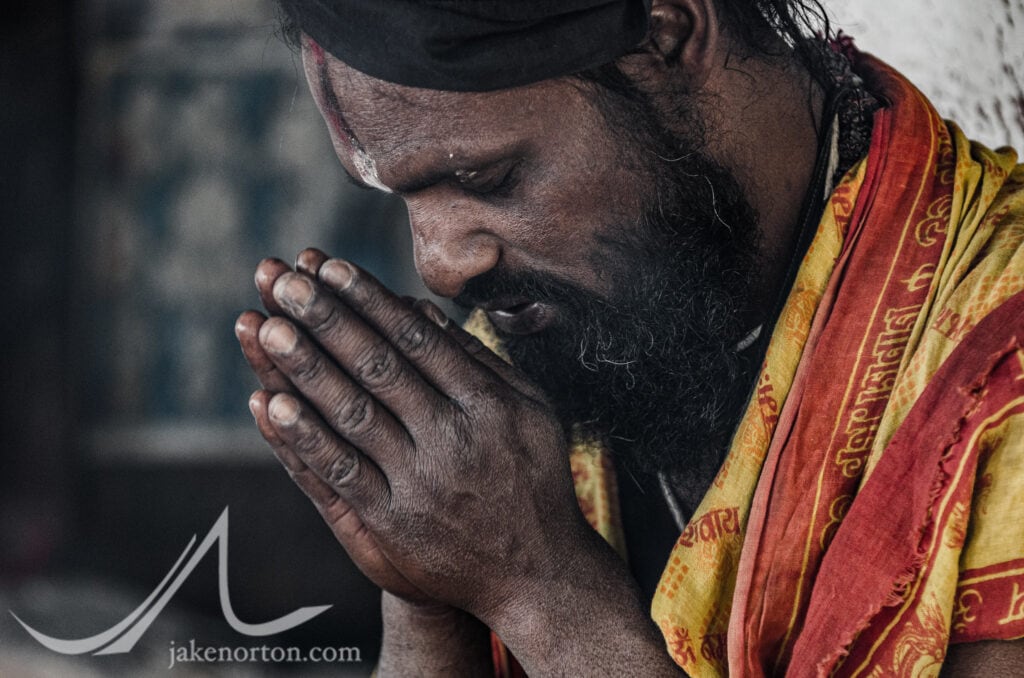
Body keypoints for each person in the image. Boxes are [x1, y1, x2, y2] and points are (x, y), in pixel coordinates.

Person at [233, 0, 1024, 674]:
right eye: (401, 198)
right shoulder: (552, 345)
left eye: (487, 180)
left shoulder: (1002, 363)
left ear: (668, 34)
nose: (439, 263)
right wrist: (428, 588)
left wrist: (539, 587)